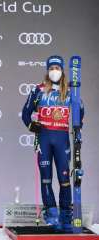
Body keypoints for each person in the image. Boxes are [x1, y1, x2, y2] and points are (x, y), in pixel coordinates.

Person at [21, 55, 84, 232]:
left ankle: (66, 218)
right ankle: (52, 217)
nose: (54, 71)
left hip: (62, 139)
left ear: (62, 70)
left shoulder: (70, 91)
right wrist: (31, 124)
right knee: (46, 178)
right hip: (44, 140)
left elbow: (81, 112)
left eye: (57, 68)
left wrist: (78, 130)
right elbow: (26, 113)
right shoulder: (38, 90)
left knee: (65, 179)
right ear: (47, 71)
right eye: (51, 68)